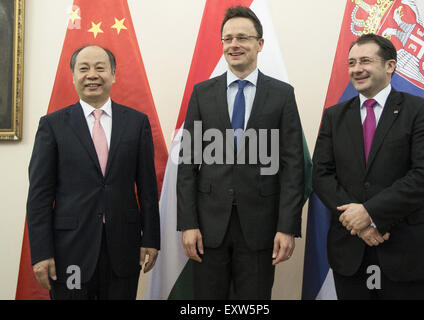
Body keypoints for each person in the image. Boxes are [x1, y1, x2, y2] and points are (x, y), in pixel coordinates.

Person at [177, 6, 305, 299]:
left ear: (259, 44)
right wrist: (188, 224)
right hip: (208, 228)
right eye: (227, 38)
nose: (234, 45)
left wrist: (287, 227)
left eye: (242, 38)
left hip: (261, 227)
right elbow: (187, 164)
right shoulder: (202, 93)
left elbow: (293, 166)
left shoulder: (282, 95)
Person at [312, 33, 424, 300]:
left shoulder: (420, 111)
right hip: (351, 252)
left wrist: (371, 213)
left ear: (390, 66)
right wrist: (358, 222)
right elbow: (321, 175)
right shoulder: (334, 116)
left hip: (406, 251)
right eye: (351, 63)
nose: (356, 69)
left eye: (365, 61)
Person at [26, 45, 160, 300]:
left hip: (122, 247)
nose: (92, 75)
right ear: (73, 76)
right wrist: (41, 253)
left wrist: (151, 239)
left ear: (113, 74)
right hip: (70, 252)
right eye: (84, 68)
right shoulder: (52, 126)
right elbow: (39, 197)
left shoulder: (136, 122)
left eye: (100, 68)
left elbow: (148, 190)